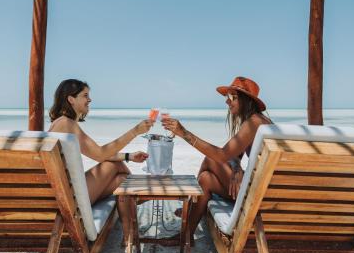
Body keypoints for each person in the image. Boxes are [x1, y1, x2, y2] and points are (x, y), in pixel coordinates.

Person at [162, 76, 272, 238]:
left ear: (247, 101)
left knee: (210, 159)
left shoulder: (254, 123)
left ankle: (193, 203)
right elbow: (233, 156)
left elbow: (221, 156)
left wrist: (184, 133)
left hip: (260, 201)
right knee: (206, 179)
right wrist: (236, 168)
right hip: (261, 196)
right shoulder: (257, 122)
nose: (227, 102)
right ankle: (186, 237)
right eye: (228, 97)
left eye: (232, 97)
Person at [48, 79, 154, 239]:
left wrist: (128, 156)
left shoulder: (63, 124)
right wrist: (135, 131)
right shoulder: (66, 123)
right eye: (85, 95)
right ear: (71, 99)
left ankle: (130, 234)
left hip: (65, 192)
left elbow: (97, 153)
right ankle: (141, 194)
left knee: (122, 180)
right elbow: (99, 154)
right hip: (68, 199)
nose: (89, 100)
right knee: (116, 167)